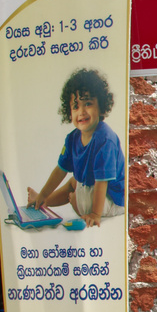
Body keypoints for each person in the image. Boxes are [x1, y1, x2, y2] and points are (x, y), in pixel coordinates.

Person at [27, 68, 125, 228]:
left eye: (88, 104)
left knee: (77, 192)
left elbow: (102, 183)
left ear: (101, 106)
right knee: (74, 181)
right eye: (76, 106)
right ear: (69, 112)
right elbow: (60, 170)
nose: (82, 112)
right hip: (95, 190)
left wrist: (95, 214)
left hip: (111, 199)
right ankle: (42, 202)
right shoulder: (72, 138)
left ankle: (78, 203)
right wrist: (43, 194)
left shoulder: (105, 140)